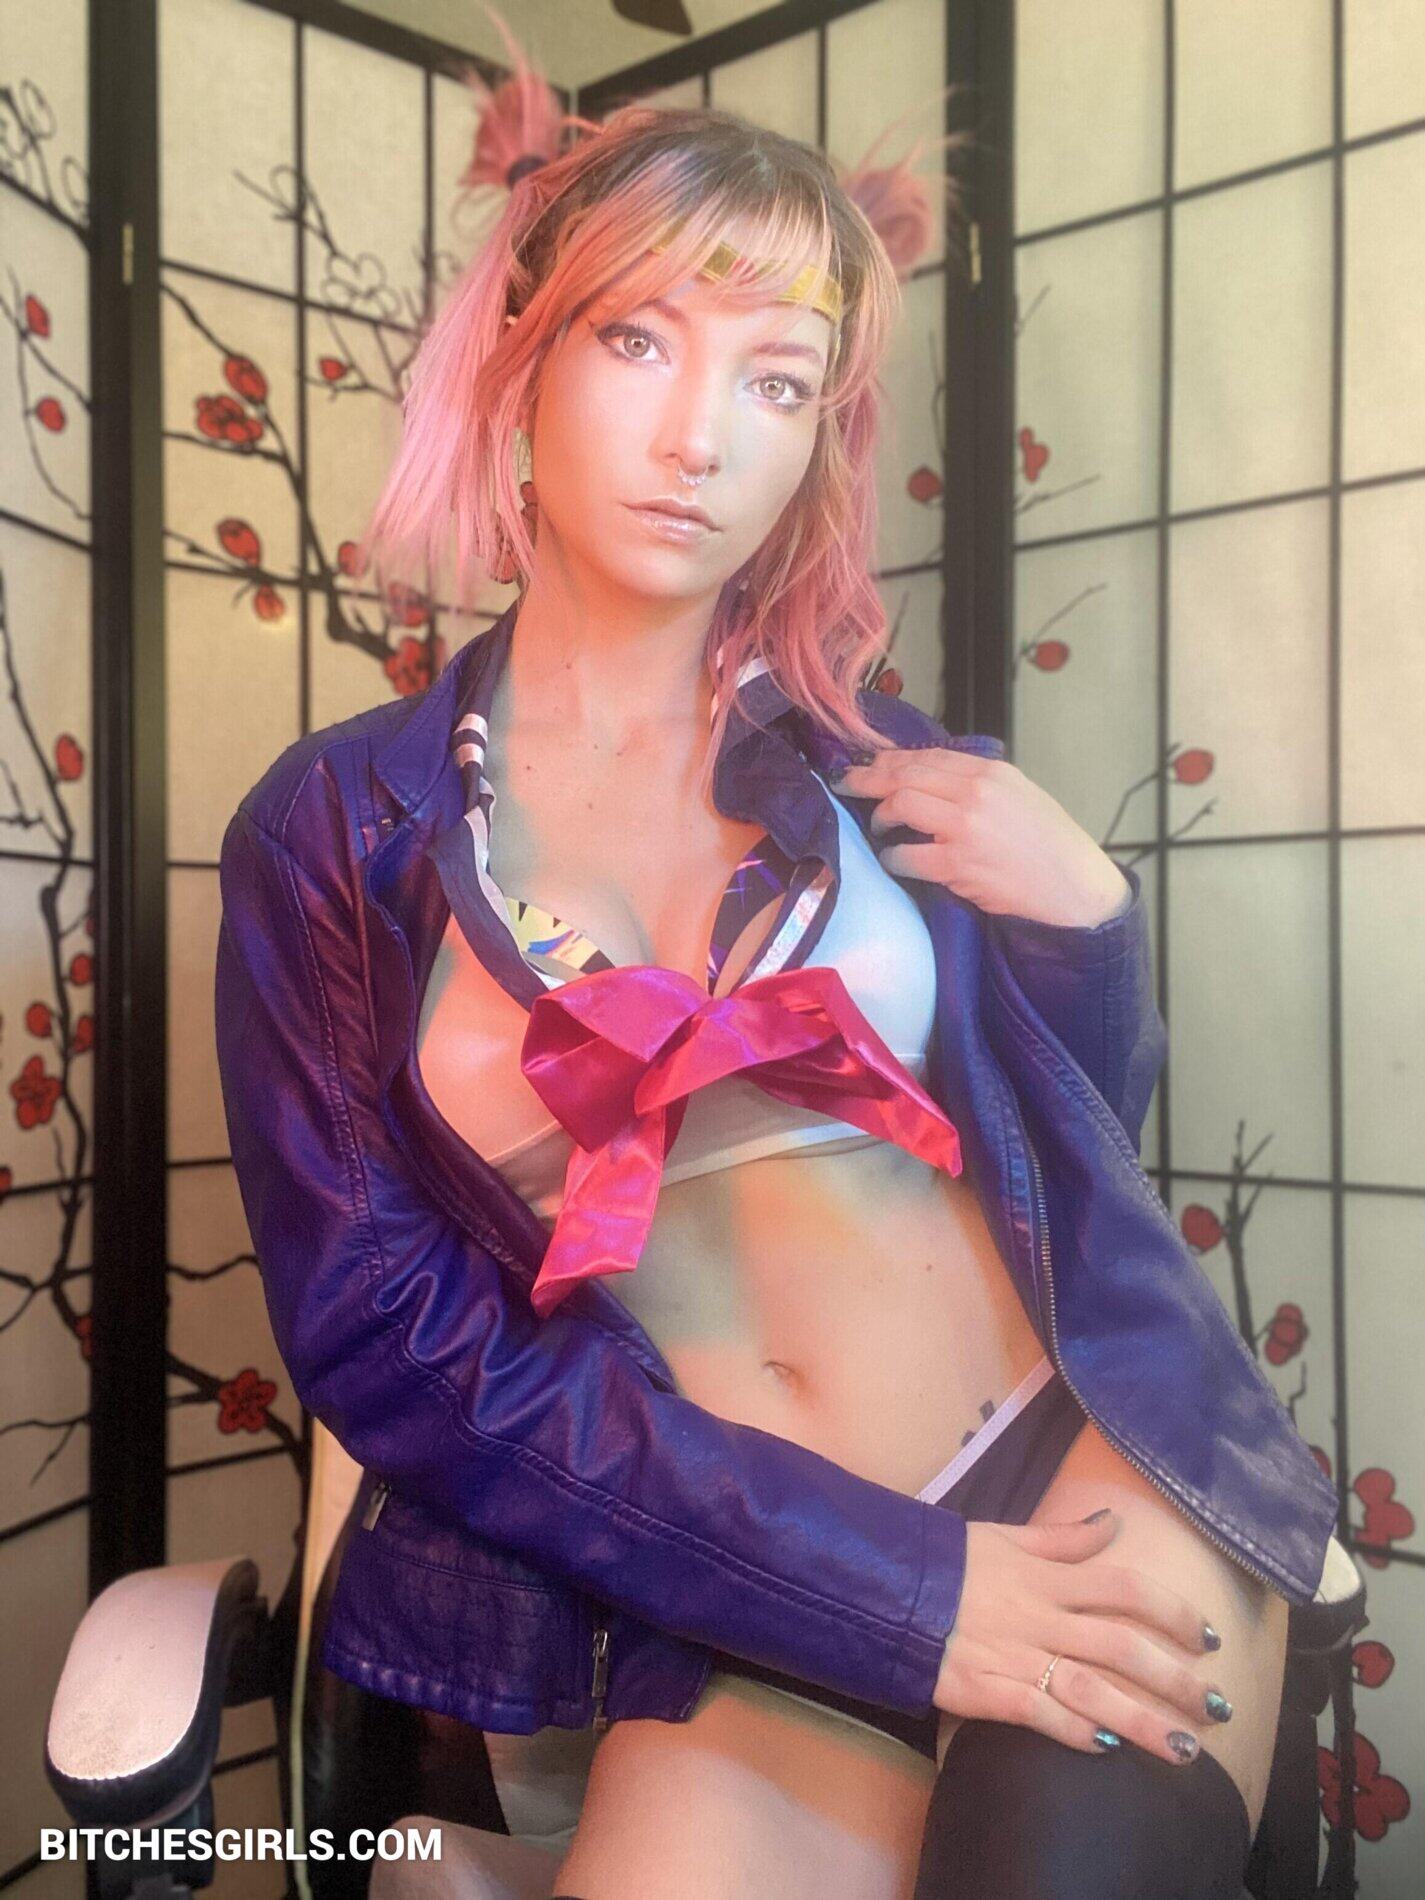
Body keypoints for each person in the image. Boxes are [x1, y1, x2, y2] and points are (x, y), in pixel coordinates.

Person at [214, 106, 1339, 1898]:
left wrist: (1088, 930)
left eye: (776, 381)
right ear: (519, 365)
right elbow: (385, 1342)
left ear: (819, 435)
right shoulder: (332, 830)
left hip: (1079, 1458)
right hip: (745, 1591)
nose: (700, 437)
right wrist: (901, 1593)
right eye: (636, 340)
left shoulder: (877, 762)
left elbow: (1068, 1155)